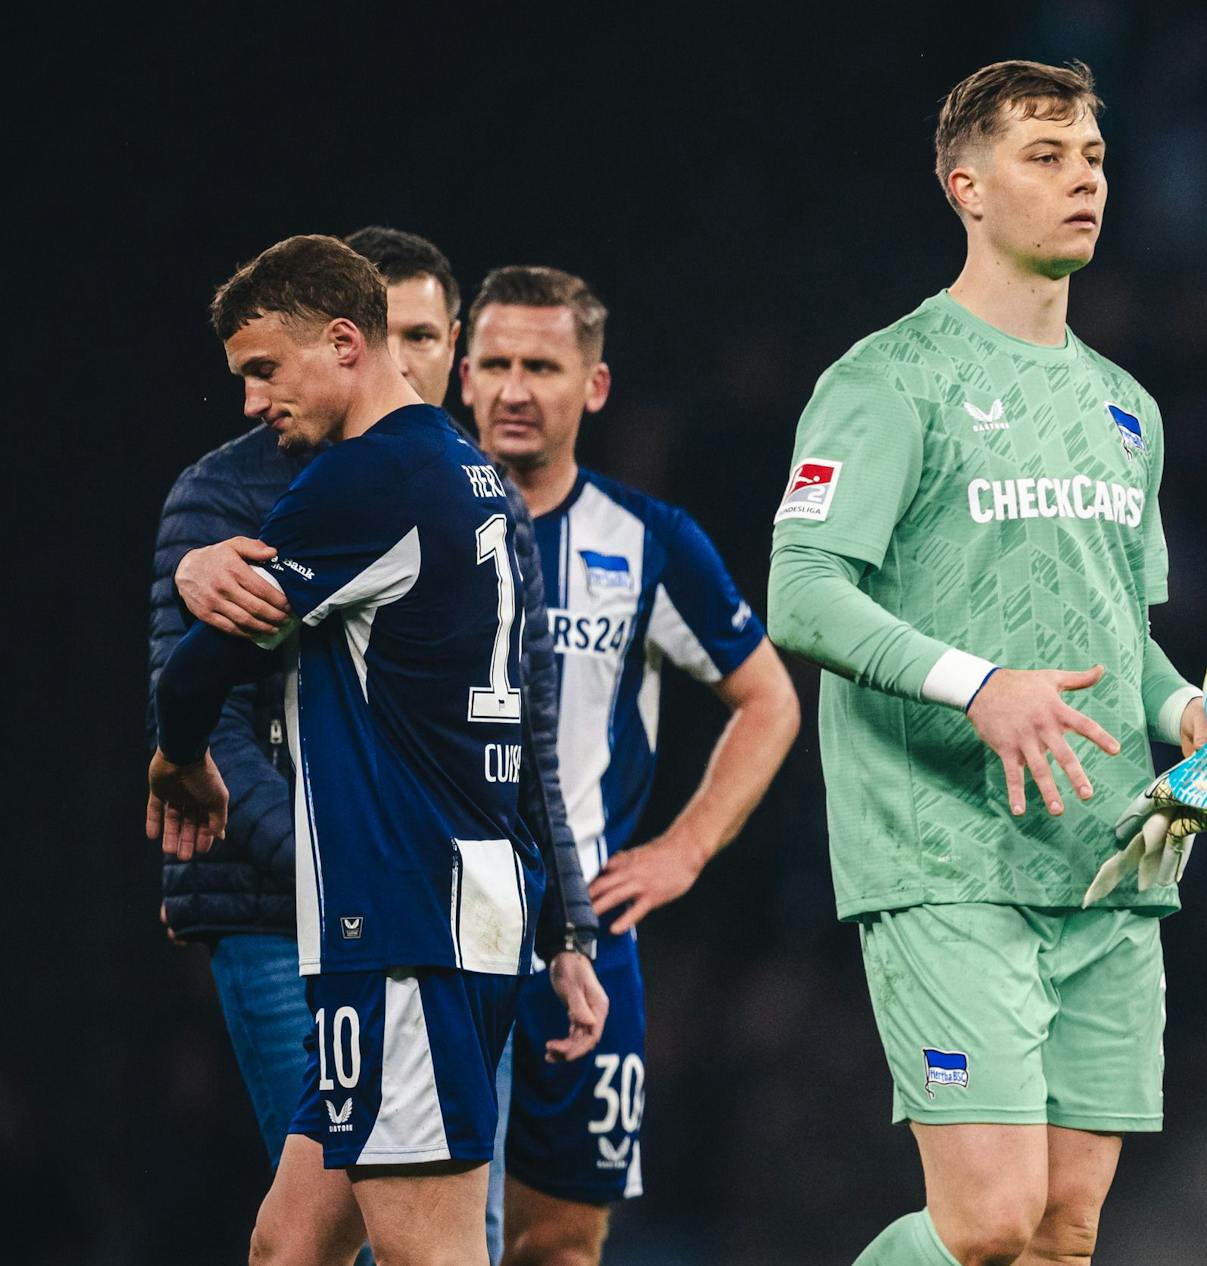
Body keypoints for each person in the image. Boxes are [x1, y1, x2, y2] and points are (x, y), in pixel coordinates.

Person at [767, 58, 1207, 1266]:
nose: (1081, 182)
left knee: (1060, 1235)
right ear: (965, 186)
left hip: (1111, 862)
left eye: (1093, 159)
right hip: (946, 854)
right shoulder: (886, 378)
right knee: (987, 1224)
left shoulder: (1124, 407)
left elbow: (1120, 635)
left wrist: (1192, 724)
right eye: (1043, 159)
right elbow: (800, 593)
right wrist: (975, 686)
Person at [152, 226, 604, 1264]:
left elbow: (199, 670)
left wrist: (176, 756)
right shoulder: (467, 470)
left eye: (265, 369)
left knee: (427, 1252)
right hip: (449, 904)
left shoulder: (367, 482)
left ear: (345, 342)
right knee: (289, 1245)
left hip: (408, 917)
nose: (256, 403)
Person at [456, 264, 800, 1265]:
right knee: (415, 1235)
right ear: (462, 379)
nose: (517, 388)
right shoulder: (394, 527)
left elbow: (768, 698)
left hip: (585, 935)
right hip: (425, 926)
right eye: (498, 364)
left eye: (544, 366)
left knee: (560, 1241)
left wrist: (684, 850)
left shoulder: (646, 542)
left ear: (592, 387)